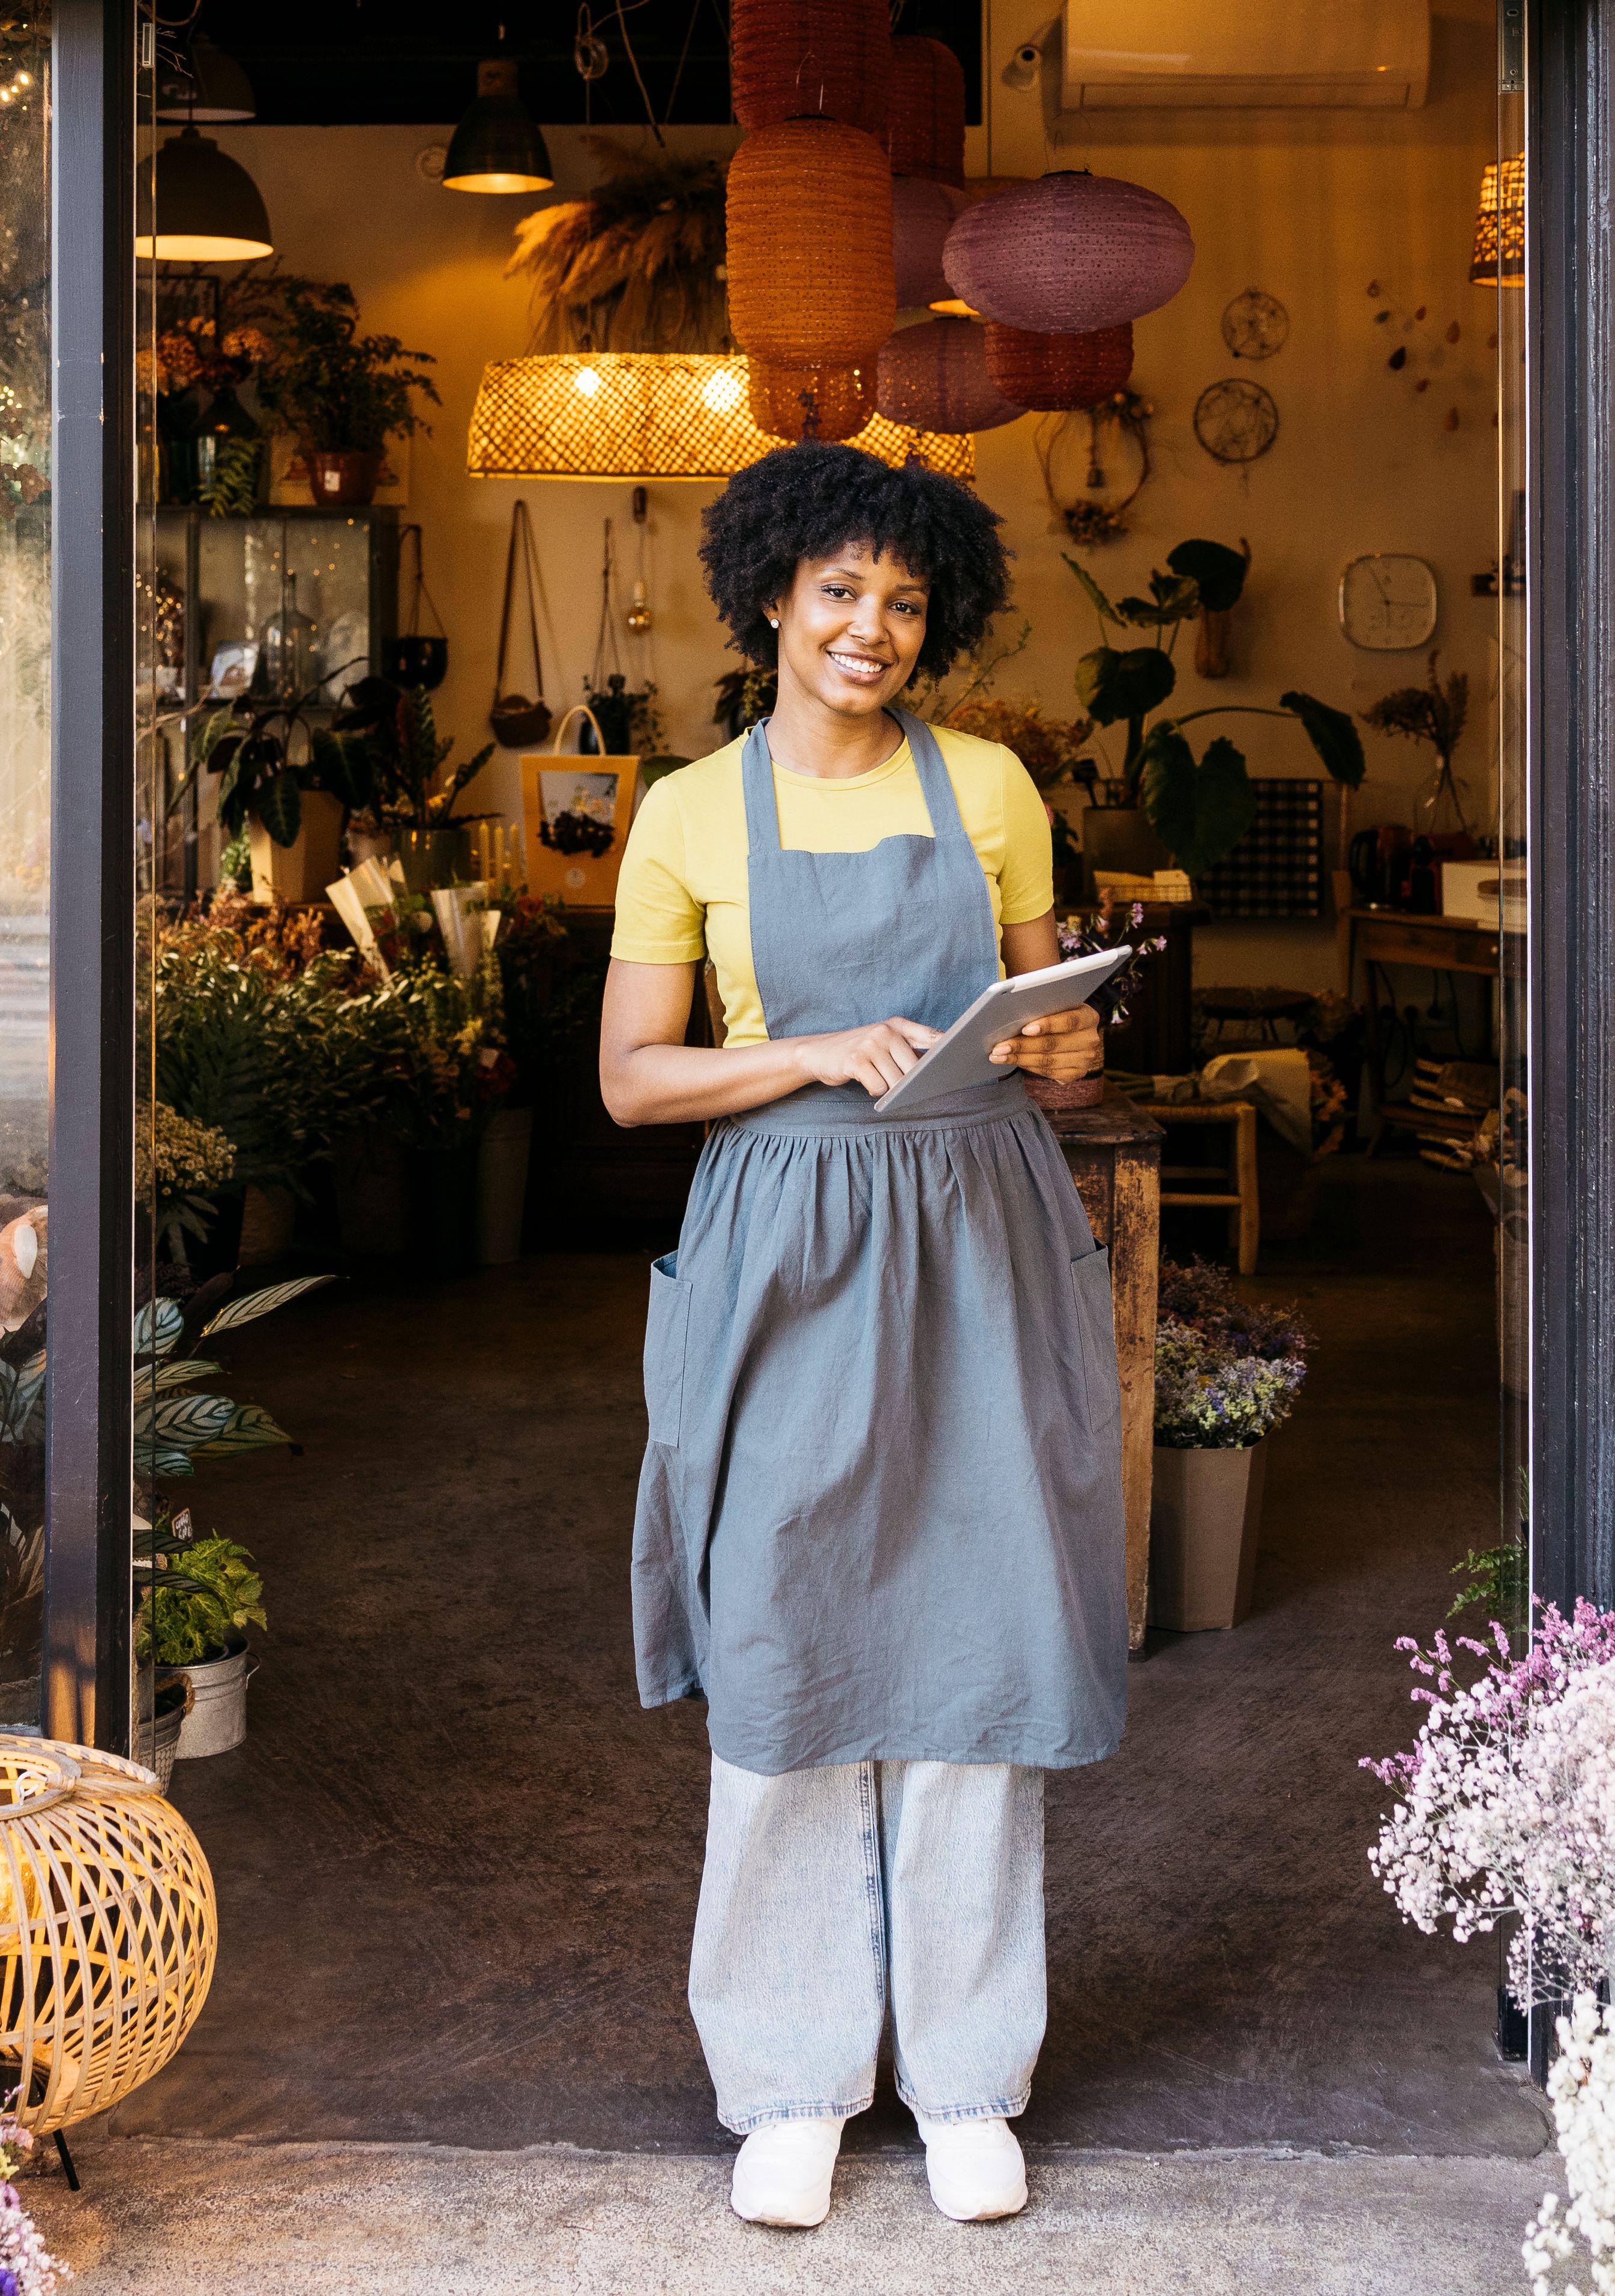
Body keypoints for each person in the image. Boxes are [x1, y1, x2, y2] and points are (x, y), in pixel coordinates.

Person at [600, 442, 1129, 2230]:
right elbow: (630, 1079)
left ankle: (972, 2075)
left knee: (975, 1646)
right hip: (788, 1251)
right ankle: (792, 2080)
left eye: (904, 601)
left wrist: (1064, 1046)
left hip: (978, 1231)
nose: (870, 628)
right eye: (838, 590)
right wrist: (818, 1051)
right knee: (786, 1646)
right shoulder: (684, 810)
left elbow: (1061, 1038)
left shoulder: (988, 785)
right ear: (770, 595)